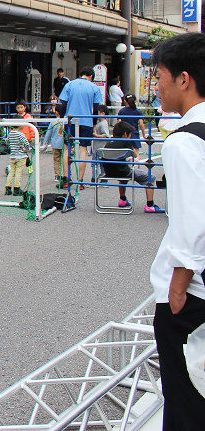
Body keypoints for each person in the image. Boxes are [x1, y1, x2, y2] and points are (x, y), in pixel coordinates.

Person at [147, 32, 205, 429]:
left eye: (160, 75)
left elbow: (192, 222)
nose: (156, 85)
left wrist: (177, 287)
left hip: (192, 294)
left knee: (185, 401)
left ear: (184, 79)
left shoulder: (183, 142)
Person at [98, 121, 159, 212]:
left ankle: (122, 199)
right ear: (125, 134)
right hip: (124, 172)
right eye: (130, 134)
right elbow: (134, 154)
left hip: (109, 172)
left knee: (122, 177)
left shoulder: (108, 143)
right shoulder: (125, 142)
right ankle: (150, 205)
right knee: (150, 177)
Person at [58, 67, 103, 187]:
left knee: (67, 149)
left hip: (70, 121)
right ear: (91, 76)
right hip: (86, 121)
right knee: (83, 150)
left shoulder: (69, 85)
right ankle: (80, 181)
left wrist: (62, 120)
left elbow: (63, 105)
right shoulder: (94, 88)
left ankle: (66, 179)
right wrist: (94, 124)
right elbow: (96, 108)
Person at [40, 103, 67, 187]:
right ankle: (66, 175)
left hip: (55, 144)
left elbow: (48, 133)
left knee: (56, 160)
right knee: (65, 160)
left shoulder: (53, 122)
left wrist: (45, 143)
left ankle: (57, 175)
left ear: (57, 112)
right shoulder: (66, 121)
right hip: (65, 144)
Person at [4, 121, 31, 196]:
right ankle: (17, 189)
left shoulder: (11, 133)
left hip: (13, 156)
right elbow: (26, 144)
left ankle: (8, 188)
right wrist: (26, 149)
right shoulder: (21, 134)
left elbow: (7, 141)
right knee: (18, 173)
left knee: (11, 172)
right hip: (21, 156)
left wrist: (12, 147)